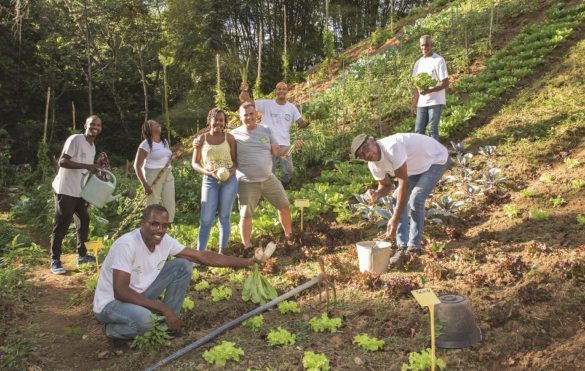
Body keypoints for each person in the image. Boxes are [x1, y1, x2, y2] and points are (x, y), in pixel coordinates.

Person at [93, 204, 258, 344]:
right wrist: (164, 309)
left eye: (165, 226)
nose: (160, 230)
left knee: (183, 265)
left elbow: (201, 257)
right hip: (111, 303)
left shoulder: (164, 241)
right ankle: (113, 331)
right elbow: (120, 291)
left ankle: (169, 325)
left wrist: (246, 262)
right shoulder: (127, 245)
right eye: (154, 224)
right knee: (147, 322)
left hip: (138, 294)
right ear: (142, 223)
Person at [351, 133, 450, 268]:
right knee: (395, 198)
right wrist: (377, 194)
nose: (367, 155)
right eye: (362, 155)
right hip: (415, 169)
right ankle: (402, 247)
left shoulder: (392, 147)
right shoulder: (373, 165)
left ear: (372, 141)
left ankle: (414, 248)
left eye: (366, 149)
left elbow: (402, 184)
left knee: (416, 199)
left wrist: (395, 218)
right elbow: (386, 186)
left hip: (435, 159)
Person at [231, 102, 294, 249]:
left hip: (268, 178)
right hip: (247, 182)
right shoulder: (234, 135)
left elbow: (277, 151)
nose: (249, 117)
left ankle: (289, 236)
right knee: (245, 214)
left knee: (284, 205)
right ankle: (246, 246)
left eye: (251, 113)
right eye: (245, 115)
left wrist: (291, 147)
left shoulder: (266, 130)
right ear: (240, 117)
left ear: (256, 114)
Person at [50, 115, 102, 274]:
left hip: (79, 192)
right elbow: (63, 162)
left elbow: (85, 173)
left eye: (98, 125)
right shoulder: (75, 139)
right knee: (62, 224)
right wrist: (87, 165)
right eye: (92, 124)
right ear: (85, 125)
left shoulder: (92, 147)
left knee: (84, 219)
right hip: (65, 189)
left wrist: (86, 194)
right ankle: (55, 260)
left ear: (100, 129)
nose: (95, 127)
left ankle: (82, 255)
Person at [239, 81, 310, 187]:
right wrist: (244, 91)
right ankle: (269, 190)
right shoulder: (266, 104)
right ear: (276, 91)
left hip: (284, 144)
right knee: (269, 170)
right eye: (279, 89)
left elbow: (301, 123)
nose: (281, 91)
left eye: (284, 89)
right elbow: (249, 103)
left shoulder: (291, 108)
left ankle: (283, 186)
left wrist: (310, 119)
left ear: (287, 91)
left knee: (289, 170)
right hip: (267, 142)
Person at [191, 108, 238, 253]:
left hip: (229, 181)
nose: (218, 122)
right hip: (209, 181)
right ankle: (200, 253)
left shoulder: (230, 138)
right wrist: (208, 173)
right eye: (215, 119)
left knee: (224, 216)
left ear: (224, 123)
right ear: (209, 120)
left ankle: (222, 251)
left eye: (221, 120)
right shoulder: (201, 139)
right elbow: (195, 163)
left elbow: (236, 162)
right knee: (206, 219)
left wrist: (230, 173)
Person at [134, 120, 175, 222]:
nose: (158, 124)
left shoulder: (164, 142)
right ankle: (151, 227)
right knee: (153, 204)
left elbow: (166, 157)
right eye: (154, 124)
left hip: (167, 173)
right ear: (149, 129)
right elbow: (137, 166)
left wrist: (173, 157)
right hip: (152, 175)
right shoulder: (145, 144)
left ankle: (167, 226)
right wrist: (144, 184)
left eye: (158, 123)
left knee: (169, 202)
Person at [411, 35, 449, 141]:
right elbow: (416, 86)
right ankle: (422, 156)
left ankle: (436, 156)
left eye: (427, 45)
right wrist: (414, 103)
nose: (424, 47)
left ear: (431, 45)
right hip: (422, 103)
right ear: (420, 46)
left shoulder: (438, 60)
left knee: (432, 130)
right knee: (418, 131)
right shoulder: (418, 63)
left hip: (435, 101)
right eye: (422, 45)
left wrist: (430, 90)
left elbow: (445, 83)